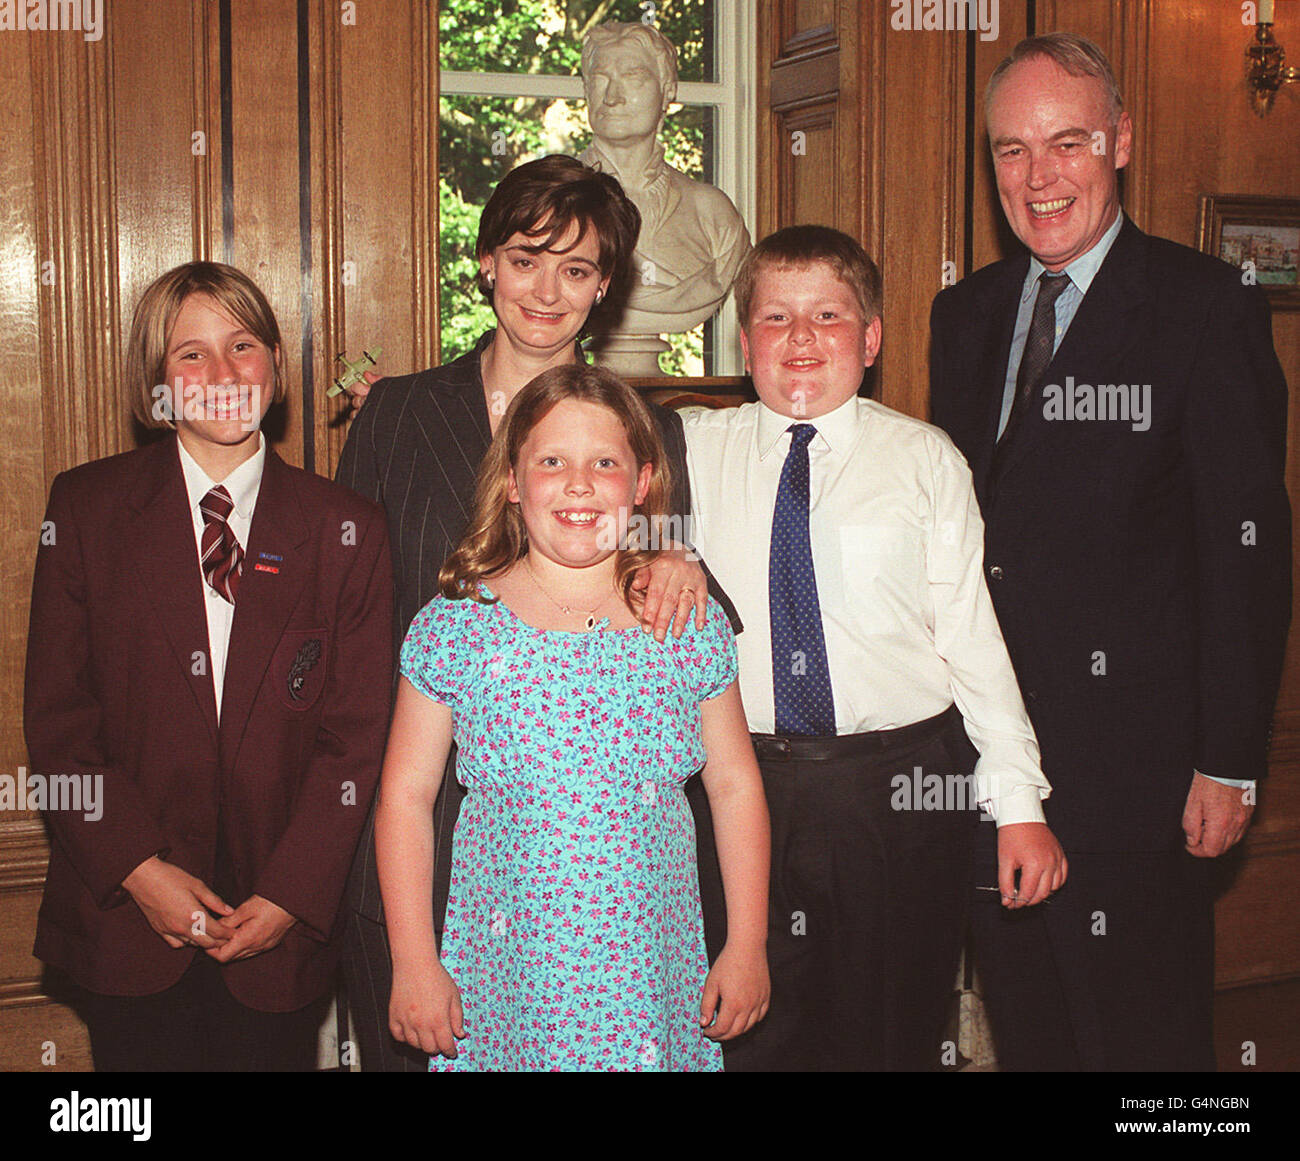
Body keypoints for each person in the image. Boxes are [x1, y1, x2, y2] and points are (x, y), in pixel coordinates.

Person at [929, 33, 1291, 1071]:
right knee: (1030, 1025)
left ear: (1120, 142)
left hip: (1140, 775)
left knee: (1140, 1042)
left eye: (1066, 143)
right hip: (993, 767)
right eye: (1009, 151)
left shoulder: (1204, 308)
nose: (1036, 178)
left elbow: (1247, 547)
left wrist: (1226, 762)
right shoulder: (963, 317)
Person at [336, 154, 737, 1071]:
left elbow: (672, 605)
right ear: (485, 263)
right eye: (525, 258)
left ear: (604, 287)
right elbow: (347, 611)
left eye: (578, 268)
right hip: (423, 831)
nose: (546, 291)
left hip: (606, 872)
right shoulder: (396, 413)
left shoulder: (650, 422)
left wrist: (684, 555)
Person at [680, 225, 1062, 1071]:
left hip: (900, 794)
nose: (803, 339)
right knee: (746, 1033)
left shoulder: (925, 460)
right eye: (776, 319)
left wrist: (1020, 807)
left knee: (890, 1033)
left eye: (829, 315)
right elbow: (563, 465)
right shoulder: (690, 454)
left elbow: (973, 640)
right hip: (742, 788)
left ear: (873, 337)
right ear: (744, 344)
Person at [24, 261, 393, 1071]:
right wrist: (137, 869)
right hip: (127, 922)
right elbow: (58, 724)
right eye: (190, 354)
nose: (222, 374)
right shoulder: (86, 510)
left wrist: (290, 893)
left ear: (273, 365)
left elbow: (356, 740)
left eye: (242, 345)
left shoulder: (347, 528)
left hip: (277, 932)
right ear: (154, 380)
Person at [375, 364, 770, 1071]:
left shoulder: (683, 622)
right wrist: (412, 959)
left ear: (643, 482)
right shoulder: (457, 626)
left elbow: (736, 785)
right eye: (551, 460)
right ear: (511, 480)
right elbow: (405, 795)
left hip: (650, 979)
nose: (579, 482)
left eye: (605, 462)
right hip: (506, 978)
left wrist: (747, 942)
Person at [580, 21, 750, 345]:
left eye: (632, 77)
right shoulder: (553, 202)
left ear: (667, 91)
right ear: (585, 90)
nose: (612, 97)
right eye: (600, 78)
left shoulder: (713, 214)